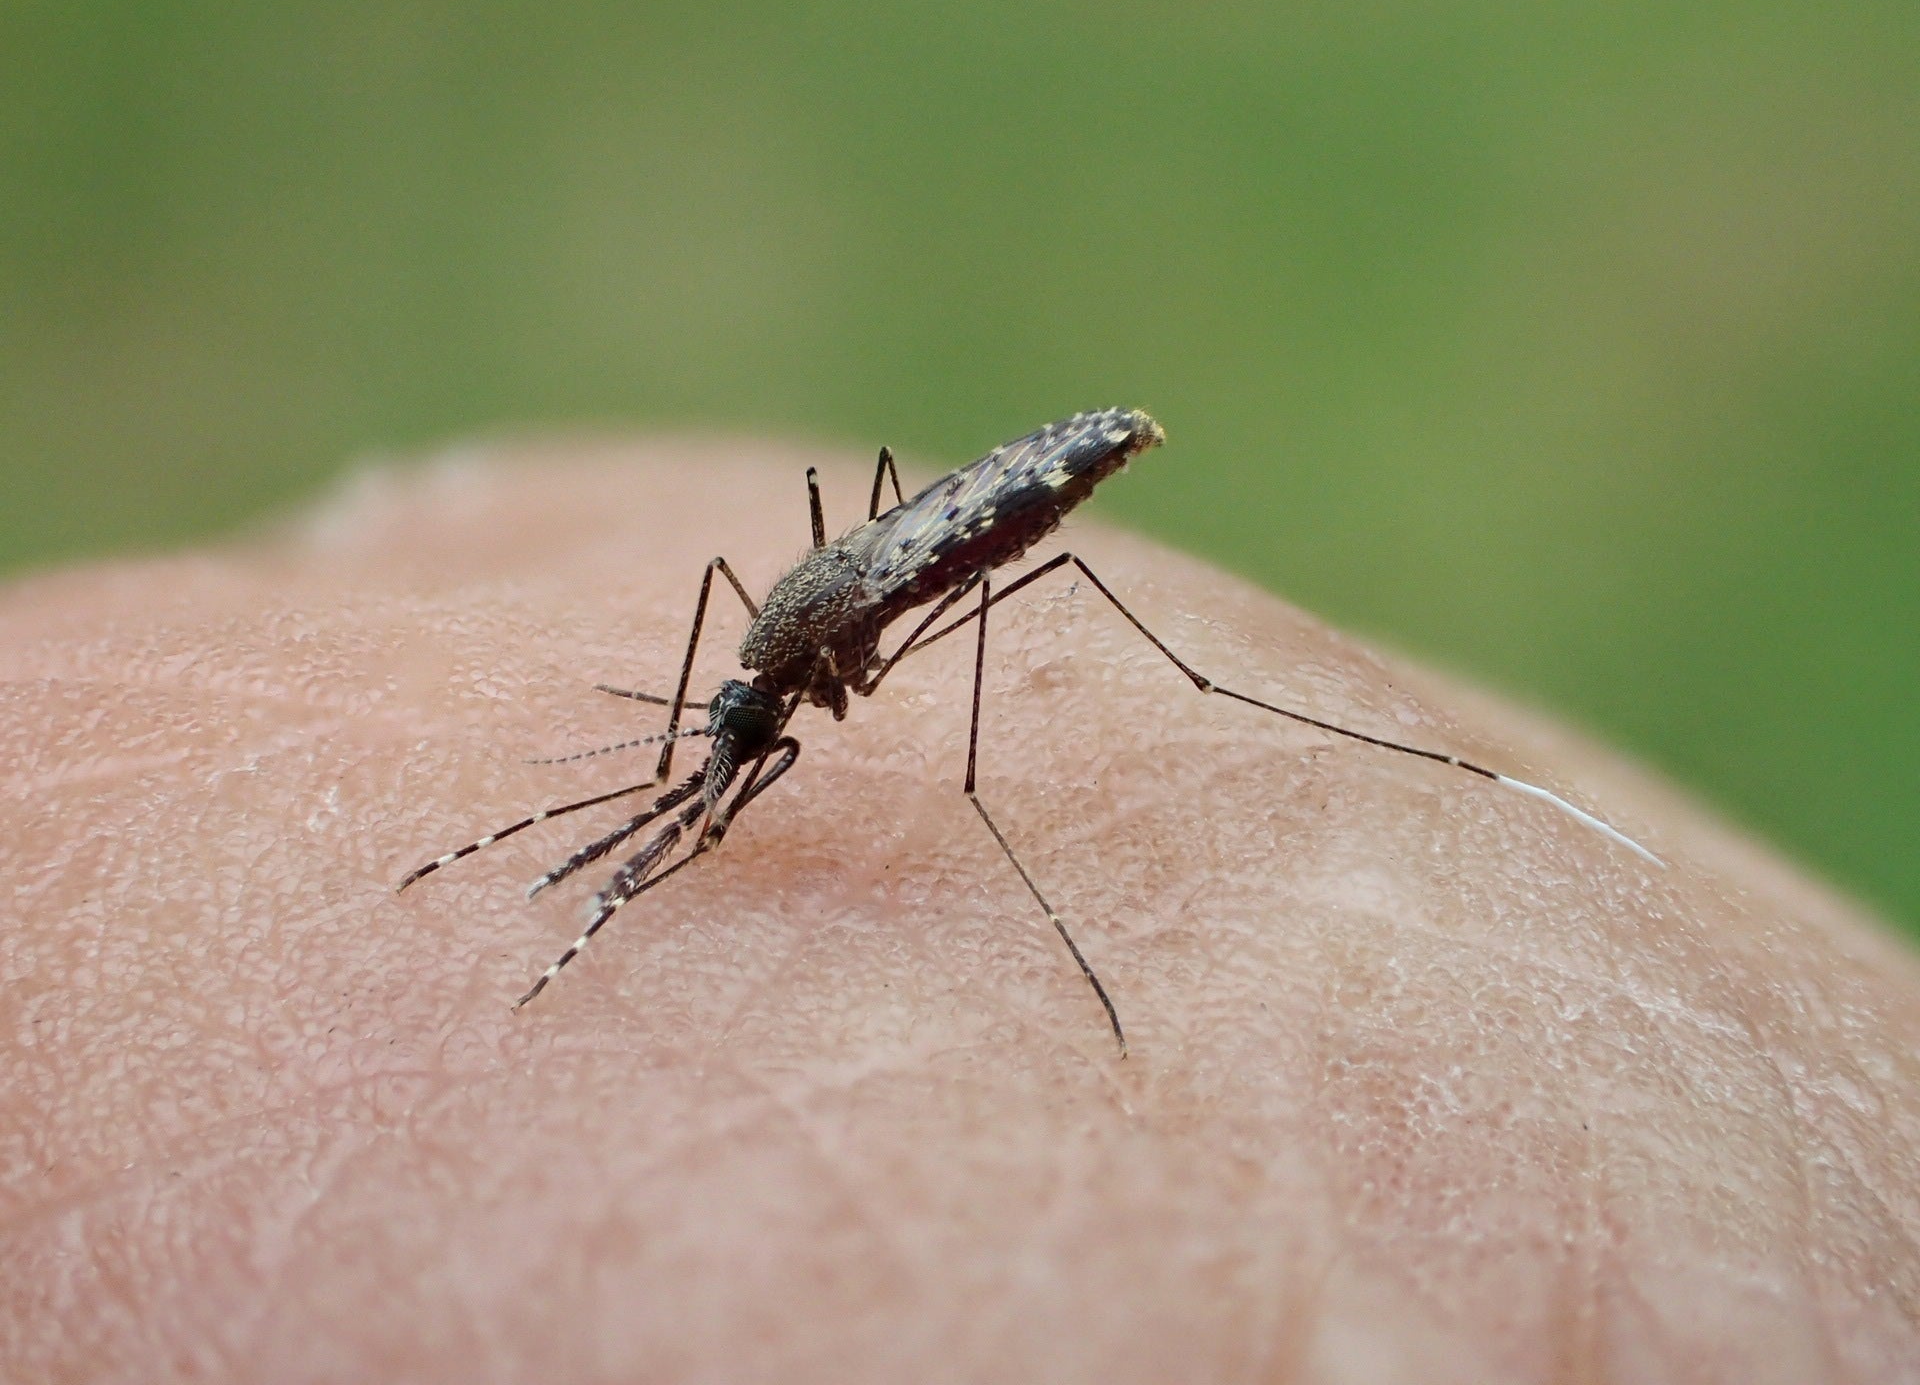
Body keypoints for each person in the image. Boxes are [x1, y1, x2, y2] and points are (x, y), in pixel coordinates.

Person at [6, 437, 1916, 1382]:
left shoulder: (800, 645)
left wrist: (764, 732)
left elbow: (848, 610)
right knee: (791, 567)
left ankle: (1211, 694)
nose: (746, 749)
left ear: (773, 695)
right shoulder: (769, 652)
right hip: (860, 567)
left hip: (962, 522)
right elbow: (764, 663)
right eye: (741, 734)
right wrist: (702, 740)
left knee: (995, 597)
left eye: (737, 737)